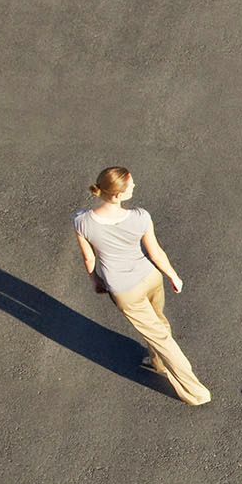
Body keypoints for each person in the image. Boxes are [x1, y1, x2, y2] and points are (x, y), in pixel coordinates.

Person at [73, 167, 211, 405]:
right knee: (159, 324)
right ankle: (163, 367)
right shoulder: (140, 216)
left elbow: (89, 258)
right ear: (117, 194)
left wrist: (95, 280)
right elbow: (155, 252)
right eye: (130, 185)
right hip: (151, 278)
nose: (135, 186)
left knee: (158, 335)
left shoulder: (82, 221)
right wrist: (173, 276)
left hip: (124, 291)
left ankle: (194, 392)